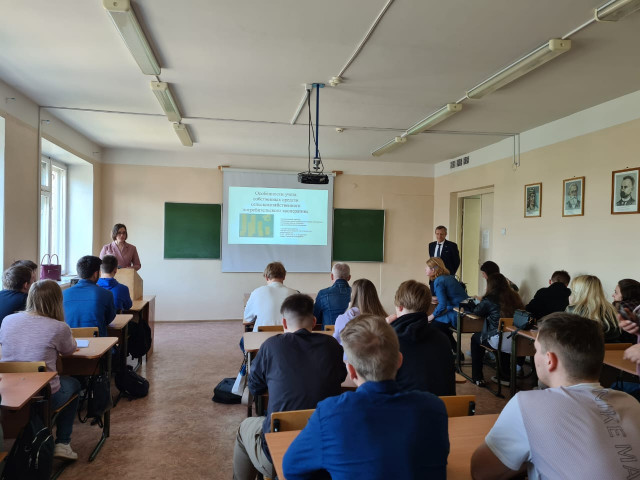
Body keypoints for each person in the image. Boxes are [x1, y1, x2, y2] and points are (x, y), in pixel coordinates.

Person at [471, 312, 640, 479]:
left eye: (536, 350)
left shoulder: (528, 405)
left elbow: (481, 472)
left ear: (549, 360)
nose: (535, 355)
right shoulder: (631, 402)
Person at [282, 315, 450, 480]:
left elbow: (291, 470)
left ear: (351, 371)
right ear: (399, 361)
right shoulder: (434, 408)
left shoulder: (331, 414)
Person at [232, 294, 346, 480]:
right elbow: (341, 376)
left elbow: (255, 387)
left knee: (244, 427)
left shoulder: (271, 346)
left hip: (279, 453)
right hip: (325, 449)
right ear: (314, 321)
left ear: (283, 322)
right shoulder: (332, 345)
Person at [0, 280, 81, 460]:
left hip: (9, 394)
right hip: (43, 396)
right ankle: (63, 443)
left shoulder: (7, 320)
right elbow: (69, 350)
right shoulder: (59, 327)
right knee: (74, 384)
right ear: (57, 301)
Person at [388, 280, 455, 395]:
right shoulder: (443, 338)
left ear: (400, 307)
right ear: (428, 308)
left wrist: (384, 328)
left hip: (406, 404)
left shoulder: (389, 341)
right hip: (443, 405)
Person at [470, 273, 524, 387]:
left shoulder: (489, 299)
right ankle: (505, 376)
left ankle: (477, 377)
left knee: (475, 338)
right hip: (517, 340)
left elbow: (477, 312)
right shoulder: (515, 296)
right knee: (503, 337)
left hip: (499, 340)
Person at [63, 256, 116, 337]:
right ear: (96, 274)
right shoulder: (106, 294)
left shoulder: (63, 294)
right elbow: (109, 319)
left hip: (70, 341)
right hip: (97, 341)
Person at [425, 257, 468, 352]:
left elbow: (442, 305)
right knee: (444, 330)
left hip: (456, 313)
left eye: (427, 267)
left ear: (433, 270)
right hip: (464, 309)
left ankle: (441, 353)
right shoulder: (450, 277)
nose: (425, 269)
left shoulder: (438, 281)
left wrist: (431, 317)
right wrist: (435, 298)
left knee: (432, 326)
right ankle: (457, 352)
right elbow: (451, 296)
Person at [243, 261, 298, 332]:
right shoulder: (295, 294)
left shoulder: (256, 292)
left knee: (244, 338)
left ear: (266, 277)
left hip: (262, 336)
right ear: (284, 277)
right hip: (288, 336)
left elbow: (248, 318)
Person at [566, 274, 620, 342]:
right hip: (614, 348)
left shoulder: (573, 310)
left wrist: (572, 306)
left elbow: (567, 336)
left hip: (584, 348)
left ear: (578, 292)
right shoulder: (611, 309)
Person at [333, 278, 386, 345]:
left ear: (353, 295)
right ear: (374, 297)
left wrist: (349, 309)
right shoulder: (383, 319)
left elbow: (335, 343)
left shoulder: (343, 319)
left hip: (348, 351)